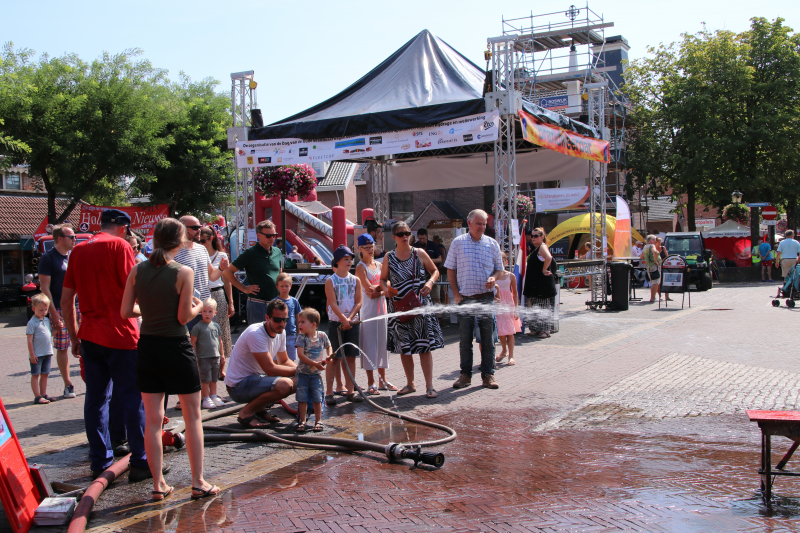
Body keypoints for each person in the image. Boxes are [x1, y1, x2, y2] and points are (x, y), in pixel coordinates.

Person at [121, 217, 218, 502]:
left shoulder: (137, 270)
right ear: (180, 241)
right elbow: (182, 317)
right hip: (176, 346)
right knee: (193, 416)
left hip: (148, 346)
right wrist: (199, 305)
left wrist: (149, 310)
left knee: (152, 421)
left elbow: (126, 311)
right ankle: (198, 482)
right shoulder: (183, 271)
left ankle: (159, 484)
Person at [61, 209, 152, 481]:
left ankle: (100, 462)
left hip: (90, 334)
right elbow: (132, 290)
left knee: (96, 400)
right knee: (133, 399)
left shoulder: (77, 250)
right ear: (123, 228)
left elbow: (66, 301)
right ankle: (140, 462)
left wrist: (74, 337)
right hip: (121, 335)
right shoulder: (120, 246)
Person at [382, 221, 444, 398]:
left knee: (424, 347)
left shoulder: (419, 253)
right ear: (393, 237)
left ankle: (430, 386)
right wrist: (386, 289)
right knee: (404, 348)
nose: (404, 237)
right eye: (401, 234)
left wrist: (430, 283)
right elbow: (383, 279)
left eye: (407, 233)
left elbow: (435, 271)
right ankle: (410, 383)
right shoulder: (389, 257)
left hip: (420, 306)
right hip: (399, 307)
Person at [444, 210, 503, 390]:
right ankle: (465, 375)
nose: (482, 227)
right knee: (465, 339)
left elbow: (499, 269)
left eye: (484, 224)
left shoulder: (492, 244)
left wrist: (494, 278)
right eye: (478, 223)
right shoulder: (458, 243)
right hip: (465, 299)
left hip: (486, 299)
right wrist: (456, 292)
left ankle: (488, 375)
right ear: (469, 223)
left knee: (488, 339)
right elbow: (450, 269)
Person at [224, 298, 297, 427]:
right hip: (237, 386)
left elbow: (284, 360)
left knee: (301, 379)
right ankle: (246, 413)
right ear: (267, 317)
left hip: (256, 380)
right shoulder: (256, 333)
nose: (281, 324)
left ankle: (259, 409)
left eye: (285, 320)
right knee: (285, 384)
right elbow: (270, 369)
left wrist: (306, 369)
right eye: (277, 320)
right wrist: (302, 369)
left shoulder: (281, 332)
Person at [37, 222, 77, 399]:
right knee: (63, 347)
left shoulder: (72, 256)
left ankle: (89, 379)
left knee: (86, 342)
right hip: (59, 308)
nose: (75, 239)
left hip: (77, 307)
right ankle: (68, 383)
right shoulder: (48, 258)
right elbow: (45, 288)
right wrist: (53, 312)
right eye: (71, 237)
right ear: (60, 239)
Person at [355, 233, 395, 394]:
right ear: (360, 249)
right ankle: (371, 382)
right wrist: (384, 289)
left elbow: (389, 285)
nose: (370, 250)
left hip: (382, 308)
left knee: (382, 344)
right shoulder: (360, 267)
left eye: (371, 246)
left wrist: (382, 289)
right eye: (366, 247)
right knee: (369, 344)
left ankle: (383, 380)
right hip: (369, 310)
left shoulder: (379, 265)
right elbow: (370, 291)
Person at [223, 220, 282, 325]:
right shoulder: (250, 253)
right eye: (268, 236)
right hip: (257, 303)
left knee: (276, 337)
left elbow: (280, 273)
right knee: (258, 337)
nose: (272, 238)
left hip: (275, 302)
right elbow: (227, 272)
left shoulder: (277, 252)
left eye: (274, 235)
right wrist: (244, 288)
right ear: (258, 235)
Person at [324, 246, 363, 405]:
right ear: (337, 262)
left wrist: (350, 318)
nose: (349, 262)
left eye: (350, 259)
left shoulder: (355, 279)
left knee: (351, 357)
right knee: (335, 358)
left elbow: (359, 301)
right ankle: (329, 392)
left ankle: (351, 390)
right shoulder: (330, 280)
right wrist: (343, 319)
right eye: (345, 259)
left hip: (352, 322)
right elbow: (332, 303)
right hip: (336, 323)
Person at [175, 216, 228, 332]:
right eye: (194, 228)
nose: (199, 230)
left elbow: (212, 276)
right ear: (182, 228)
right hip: (187, 311)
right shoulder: (174, 251)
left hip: (206, 312)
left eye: (199, 227)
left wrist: (221, 268)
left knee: (208, 348)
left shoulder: (202, 249)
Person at [199, 227, 234, 377]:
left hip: (217, 294)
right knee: (205, 331)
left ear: (211, 238)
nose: (201, 243)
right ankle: (205, 366)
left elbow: (227, 281)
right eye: (199, 240)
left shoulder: (221, 255)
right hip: (202, 295)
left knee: (220, 331)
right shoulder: (198, 253)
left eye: (203, 240)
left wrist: (231, 302)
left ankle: (221, 368)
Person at [295, 308, 333, 433]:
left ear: (313, 325)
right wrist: (315, 364)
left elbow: (329, 346)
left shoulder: (322, 335)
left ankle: (318, 420)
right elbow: (300, 355)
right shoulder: (301, 337)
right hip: (303, 374)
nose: (299, 325)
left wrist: (329, 356)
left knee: (317, 398)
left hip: (315, 375)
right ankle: (302, 421)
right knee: (302, 399)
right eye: (299, 322)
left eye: (302, 322)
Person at [523, 227, 557, 338]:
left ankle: (545, 330)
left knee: (543, 306)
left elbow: (548, 257)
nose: (533, 238)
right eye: (532, 236)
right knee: (535, 305)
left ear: (542, 237)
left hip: (541, 285)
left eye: (536, 236)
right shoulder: (536, 248)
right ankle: (536, 329)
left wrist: (543, 270)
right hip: (534, 285)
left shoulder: (542, 246)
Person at [191, 299, 225, 409]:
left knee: (214, 378)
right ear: (200, 312)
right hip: (203, 357)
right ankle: (205, 398)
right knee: (205, 379)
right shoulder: (197, 327)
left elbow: (220, 341)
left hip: (215, 356)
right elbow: (193, 342)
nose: (207, 314)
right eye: (204, 311)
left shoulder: (216, 326)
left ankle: (213, 395)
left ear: (215, 313)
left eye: (210, 311)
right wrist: (195, 356)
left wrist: (222, 354)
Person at [27, 293, 54, 404]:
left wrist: (57, 329)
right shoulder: (31, 323)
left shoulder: (46, 320)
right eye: (41, 310)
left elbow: (49, 334)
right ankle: (37, 396)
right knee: (35, 375)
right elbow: (29, 340)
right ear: (34, 309)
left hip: (47, 352)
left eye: (45, 310)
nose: (44, 312)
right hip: (37, 354)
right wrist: (32, 354)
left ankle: (43, 394)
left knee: (45, 374)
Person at [494, 253, 521, 366]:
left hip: (509, 305)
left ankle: (511, 356)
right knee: (500, 331)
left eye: (502, 260)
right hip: (497, 306)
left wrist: (516, 309)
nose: (500, 262)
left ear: (506, 261)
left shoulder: (511, 276)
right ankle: (503, 351)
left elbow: (515, 293)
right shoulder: (492, 276)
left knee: (510, 332)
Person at [275, 272, 301, 361]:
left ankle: (290, 375)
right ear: (277, 287)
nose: (284, 288)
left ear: (290, 286)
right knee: (277, 360)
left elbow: (298, 318)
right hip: (277, 335)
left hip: (291, 335)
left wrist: (299, 333)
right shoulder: (274, 301)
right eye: (281, 286)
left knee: (291, 360)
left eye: (286, 286)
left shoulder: (294, 301)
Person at [641, 235, 662, 302]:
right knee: (655, 282)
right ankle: (653, 298)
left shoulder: (645, 247)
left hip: (649, 266)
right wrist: (655, 261)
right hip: (654, 266)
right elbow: (655, 252)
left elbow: (641, 256)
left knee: (653, 282)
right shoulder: (652, 246)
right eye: (654, 239)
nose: (655, 241)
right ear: (650, 240)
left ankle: (653, 297)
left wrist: (648, 258)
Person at [655, 238, 672, 302]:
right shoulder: (654, 249)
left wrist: (662, 260)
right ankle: (660, 296)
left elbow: (667, 256)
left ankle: (667, 296)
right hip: (657, 266)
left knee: (666, 280)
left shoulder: (663, 248)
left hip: (664, 266)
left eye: (660, 242)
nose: (659, 243)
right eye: (658, 242)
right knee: (658, 282)